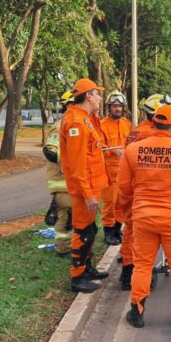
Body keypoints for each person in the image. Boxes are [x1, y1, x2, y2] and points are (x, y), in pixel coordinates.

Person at [118, 104, 171, 328]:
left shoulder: (132, 150)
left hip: (143, 217)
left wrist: (130, 211)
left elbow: (124, 187)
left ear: (153, 123)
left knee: (142, 265)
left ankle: (137, 312)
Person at [118, 93, 171, 291]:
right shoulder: (151, 135)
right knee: (144, 238)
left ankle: (127, 274)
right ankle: (137, 275)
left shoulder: (135, 132)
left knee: (131, 232)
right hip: (148, 191)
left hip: (133, 189)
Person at [59, 78, 110, 293]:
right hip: (83, 189)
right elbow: (78, 164)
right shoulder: (76, 123)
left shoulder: (84, 118)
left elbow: (94, 146)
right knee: (83, 231)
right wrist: (88, 194)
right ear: (89, 96)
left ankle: (87, 268)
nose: (99, 98)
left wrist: (95, 115)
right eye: (97, 94)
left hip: (91, 185)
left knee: (90, 229)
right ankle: (77, 277)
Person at [43, 91, 74, 258]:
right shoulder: (59, 127)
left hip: (71, 180)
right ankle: (63, 249)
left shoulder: (73, 125)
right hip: (61, 181)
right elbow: (50, 152)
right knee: (65, 216)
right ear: (68, 106)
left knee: (72, 215)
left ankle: (70, 246)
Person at [100, 90, 131, 246]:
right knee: (110, 203)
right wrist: (113, 151)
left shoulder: (127, 124)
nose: (117, 109)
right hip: (108, 172)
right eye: (114, 106)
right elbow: (98, 146)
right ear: (109, 107)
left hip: (124, 171)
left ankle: (117, 228)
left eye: (120, 106)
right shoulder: (102, 125)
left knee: (122, 202)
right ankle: (108, 231)